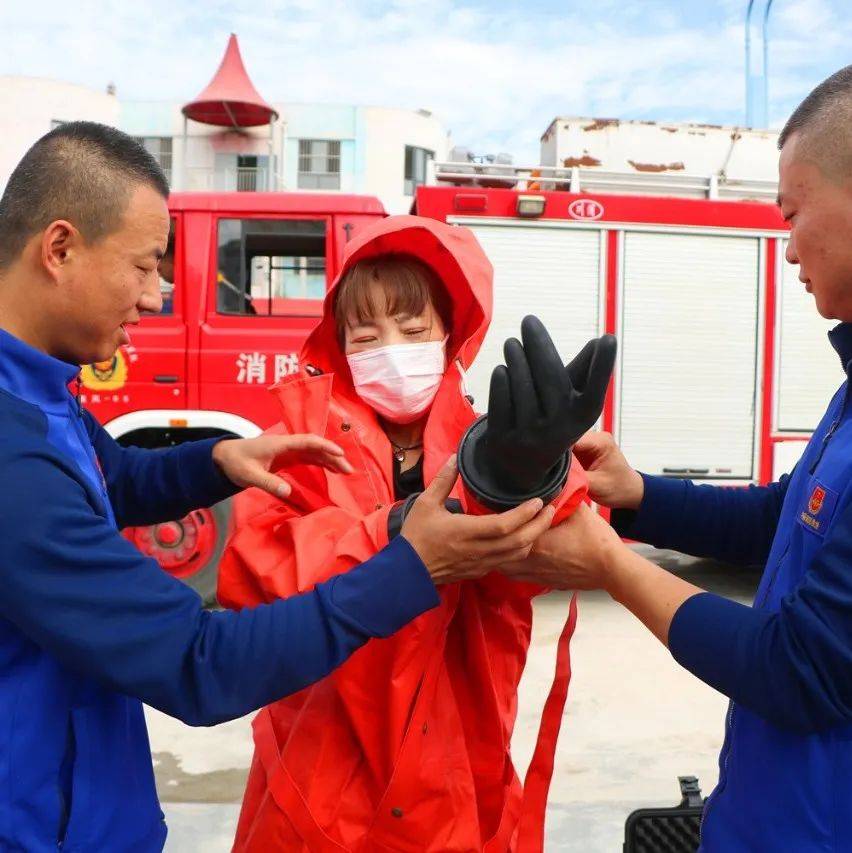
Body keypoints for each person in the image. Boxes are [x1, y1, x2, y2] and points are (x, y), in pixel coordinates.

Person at [0, 122, 556, 852]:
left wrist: (219, 458)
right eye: (144, 266)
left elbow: (118, 475)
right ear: (60, 249)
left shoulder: (44, 396)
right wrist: (406, 557)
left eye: (413, 326)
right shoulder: (15, 457)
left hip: (447, 787)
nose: (156, 294)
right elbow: (201, 657)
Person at [504, 65, 852, 852]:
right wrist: (633, 497)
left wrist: (612, 566)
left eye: (792, 213)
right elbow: (783, 519)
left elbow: (801, 670)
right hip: (766, 814)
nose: (786, 245)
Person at [218, 215, 616, 851]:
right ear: (338, 344)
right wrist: (399, 535)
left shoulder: (487, 440)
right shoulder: (297, 442)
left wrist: (527, 476)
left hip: (461, 753)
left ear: (449, 334)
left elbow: (562, 550)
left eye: (412, 329)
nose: (391, 350)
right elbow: (258, 568)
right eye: (366, 334)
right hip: (321, 760)